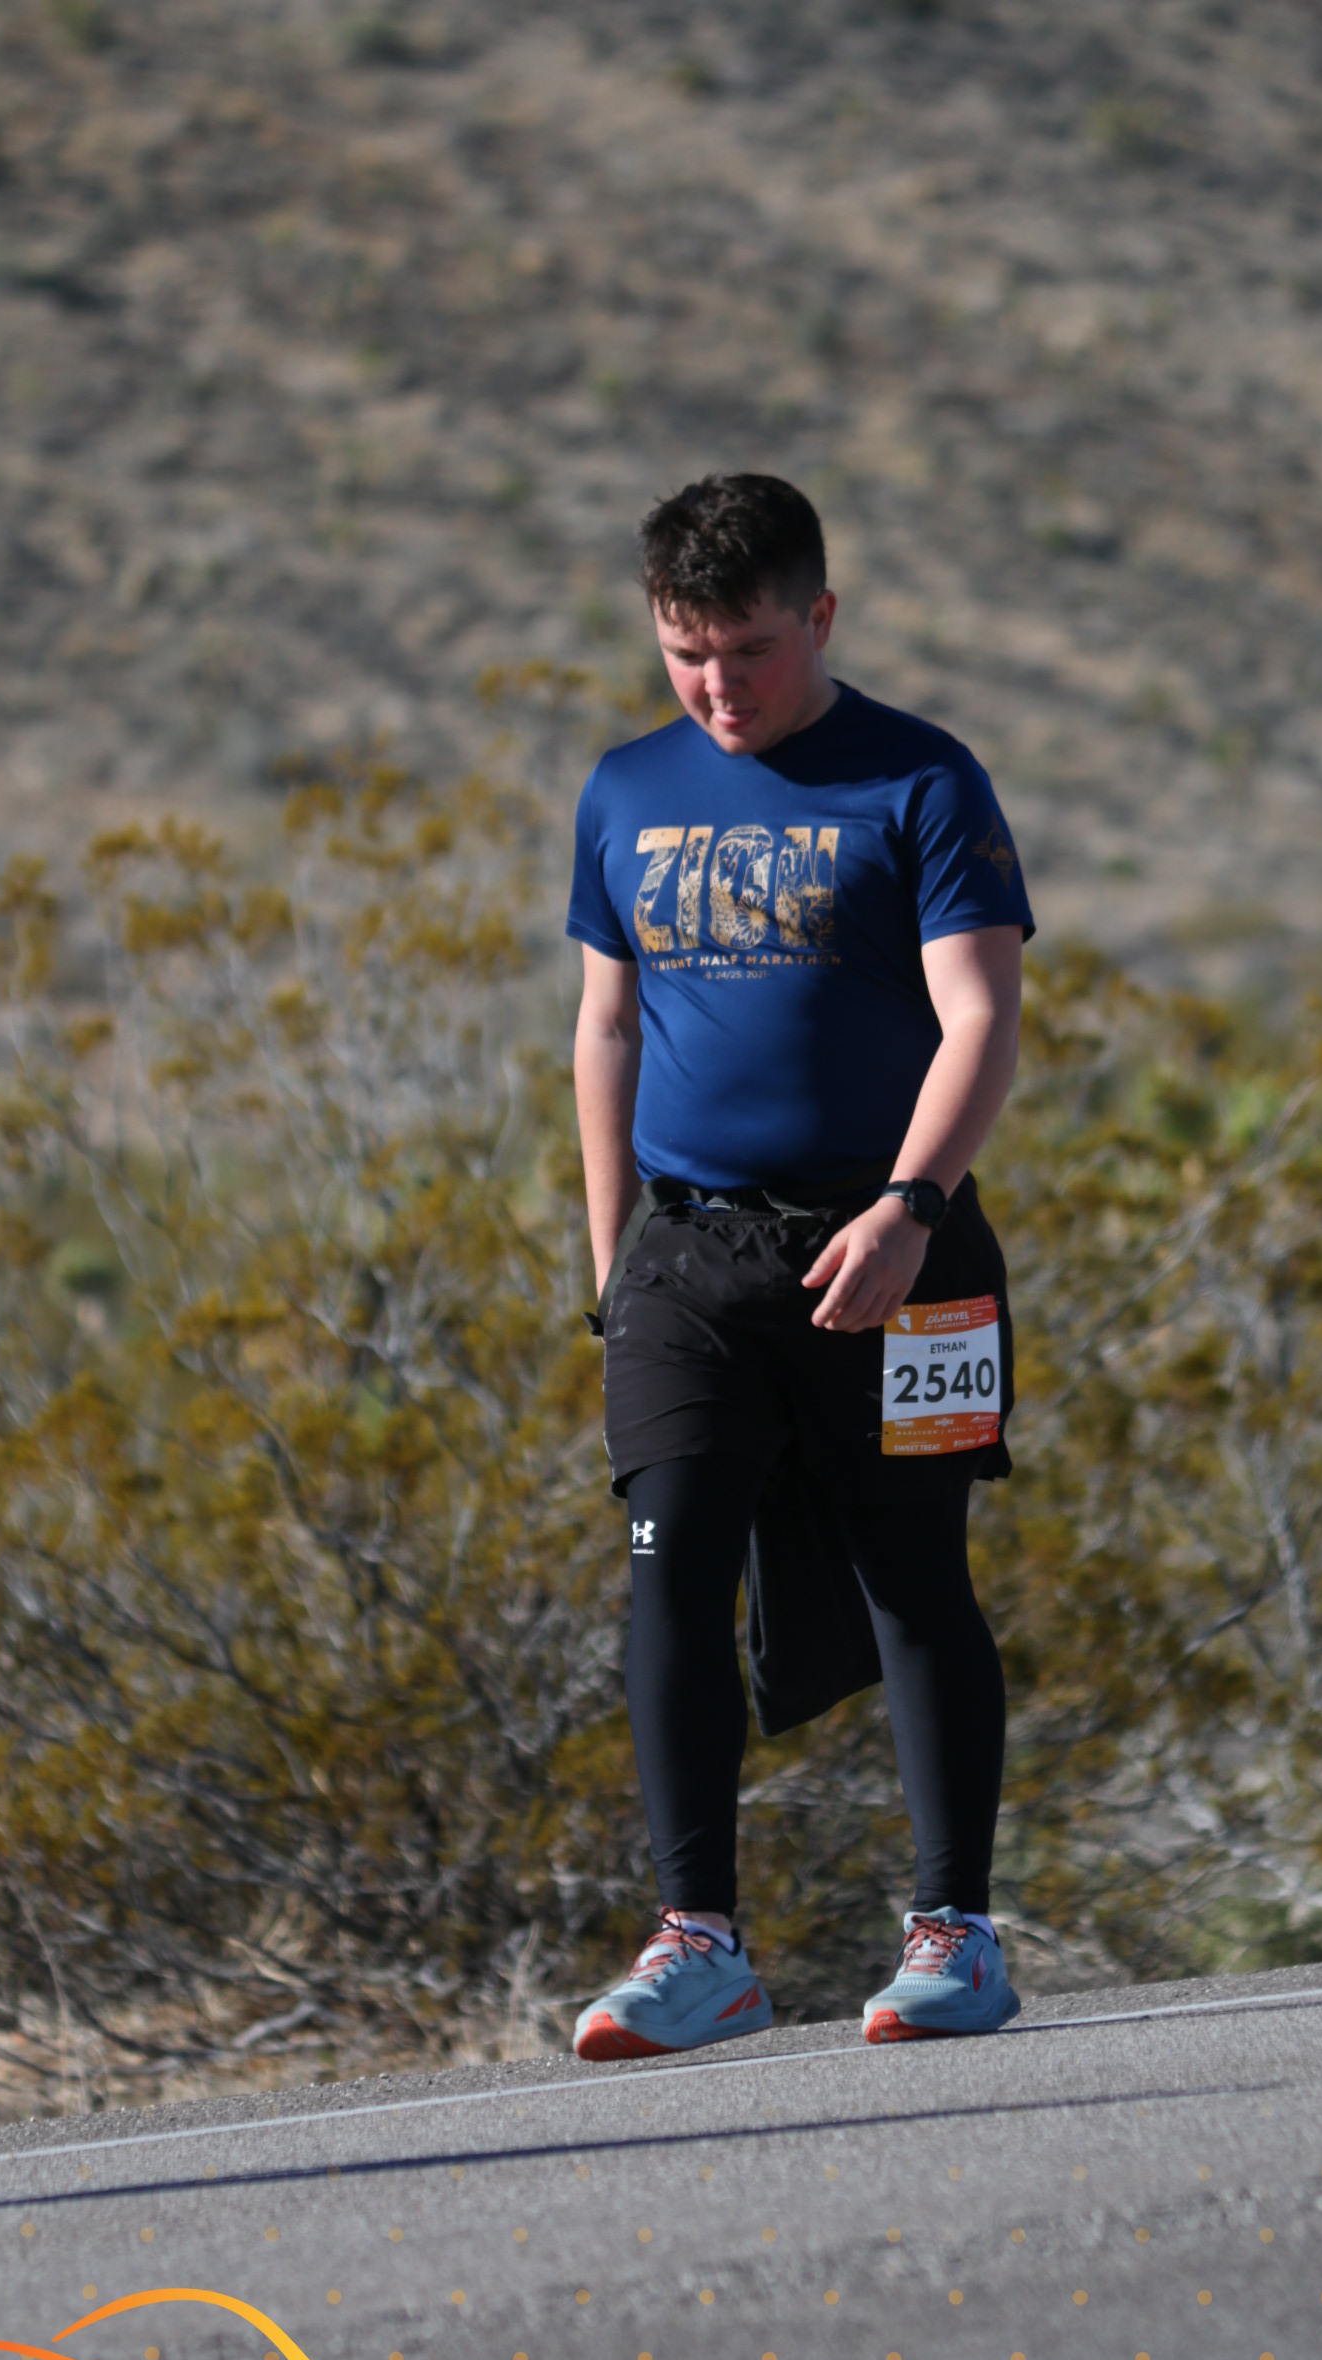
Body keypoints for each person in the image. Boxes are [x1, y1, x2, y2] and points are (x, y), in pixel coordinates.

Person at [564, 472, 1033, 2059]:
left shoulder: (923, 779)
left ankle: (955, 1933)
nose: (719, 687)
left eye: (750, 650)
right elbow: (606, 1027)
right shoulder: (624, 790)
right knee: (671, 1561)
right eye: (686, 654)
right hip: (689, 1262)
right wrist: (612, 1260)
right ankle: (698, 1946)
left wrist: (907, 1207)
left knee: (916, 1579)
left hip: (905, 1249)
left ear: (820, 616)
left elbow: (982, 1019)